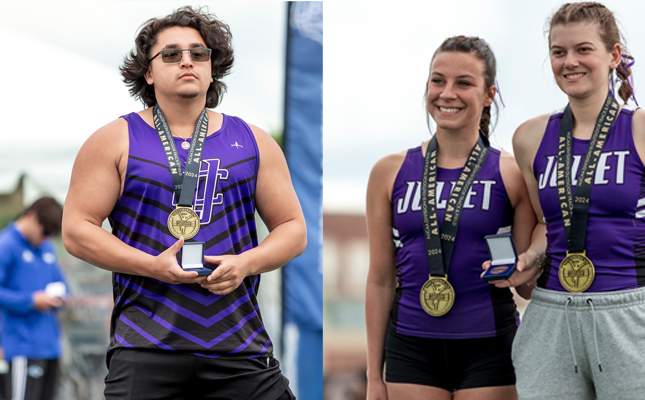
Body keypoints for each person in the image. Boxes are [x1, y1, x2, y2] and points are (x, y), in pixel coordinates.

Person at [62, 6, 305, 400]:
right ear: (149, 71)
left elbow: (294, 229)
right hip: (146, 347)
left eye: (199, 53)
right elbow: (76, 231)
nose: (187, 61)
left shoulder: (255, 141)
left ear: (213, 68)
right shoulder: (114, 139)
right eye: (171, 54)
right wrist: (152, 267)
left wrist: (246, 263)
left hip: (238, 346)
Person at [511, 2, 645, 399]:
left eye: (583, 49)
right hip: (551, 318)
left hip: (629, 315)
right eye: (558, 52)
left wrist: (634, 298)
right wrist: (529, 263)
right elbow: (547, 225)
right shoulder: (529, 138)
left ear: (613, 55)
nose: (570, 62)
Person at [365, 36, 545, 400]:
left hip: (490, 344)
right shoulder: (388, 171)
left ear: (489, 94)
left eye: (464, 82)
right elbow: (381, 279)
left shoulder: (512, 173)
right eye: (438, 80)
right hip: (410, 344)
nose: (448, 93)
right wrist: (373, 376)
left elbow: (526, 279)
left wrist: (530, 261)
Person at [0, 197, 67, 400]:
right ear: (31, 216)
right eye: (45, 231)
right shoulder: (6, 245)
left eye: (52, 234)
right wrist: (31, 301)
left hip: (51, 347)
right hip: (21, 347)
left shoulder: (47, 248)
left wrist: (59, 297)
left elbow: (62, 284)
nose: (46, 238)